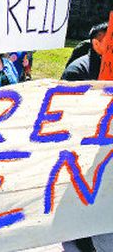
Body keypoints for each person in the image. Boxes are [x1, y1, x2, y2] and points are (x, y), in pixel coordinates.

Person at [60, 22, 109, 252]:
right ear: (96, 43)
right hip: (81, 150)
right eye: (109, 42)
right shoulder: (77, 71)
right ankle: (79, 240)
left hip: (105, 151)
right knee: (80, 197)